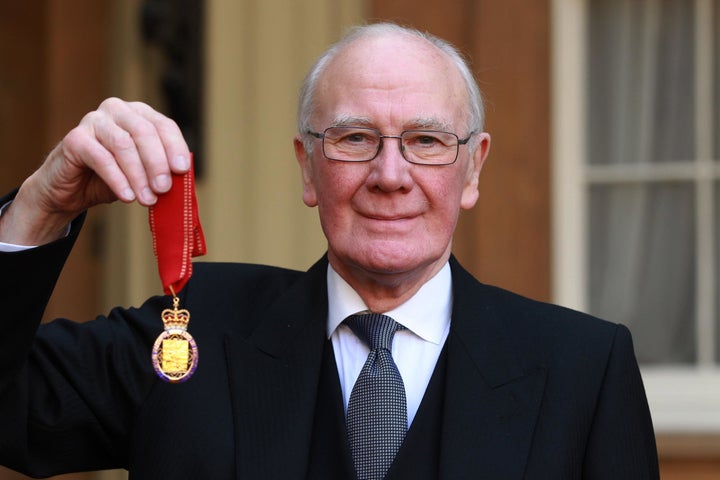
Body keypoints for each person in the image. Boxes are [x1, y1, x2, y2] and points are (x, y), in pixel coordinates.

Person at [0, 22, 658, 479]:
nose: (390, 174)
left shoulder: (583, 371)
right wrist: (39, 207)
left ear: (473, 169)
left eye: (426, 140)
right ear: (308, 168)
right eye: (353, 138)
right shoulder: (189, 332)